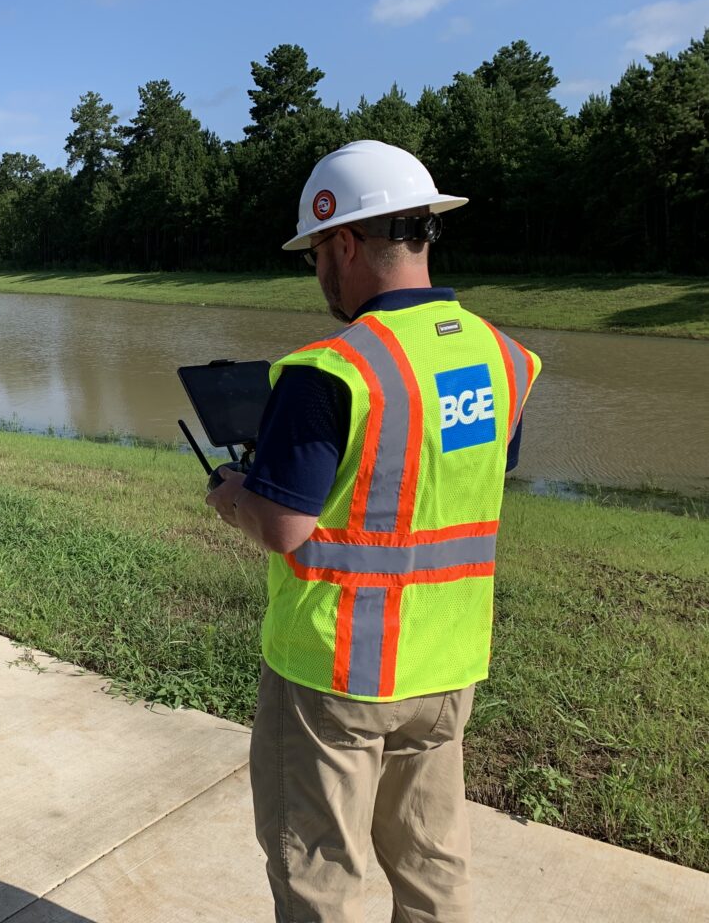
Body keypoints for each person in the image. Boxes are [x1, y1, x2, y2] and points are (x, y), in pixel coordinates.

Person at [205, 140, 540, 923]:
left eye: (315, 251)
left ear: (344, 242)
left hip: (335, 672)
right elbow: (461, 471)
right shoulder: (503, 358)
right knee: (432, 863)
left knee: (317, 870)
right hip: (447, 663)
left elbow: (284, 526)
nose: (317, 271)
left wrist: (231, 494)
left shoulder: (327, 368)